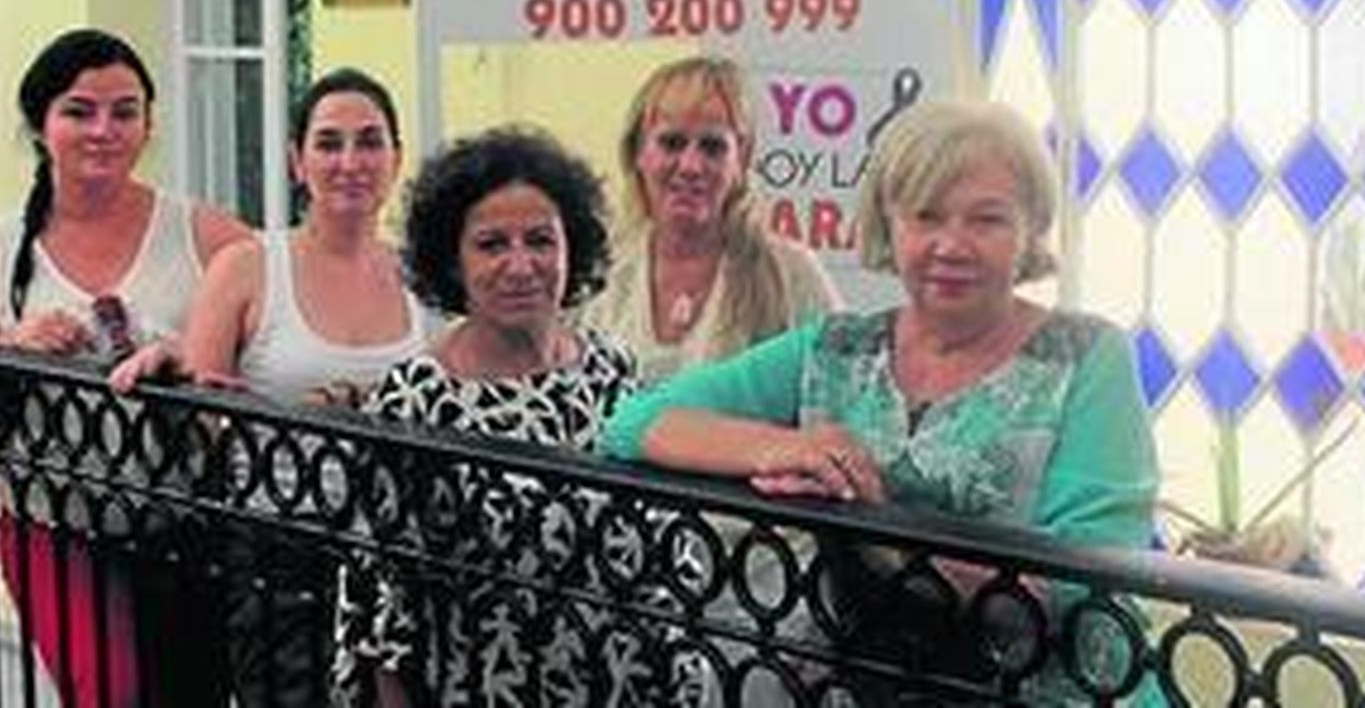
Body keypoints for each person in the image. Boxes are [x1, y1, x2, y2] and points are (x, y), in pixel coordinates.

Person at [602, 99, 1160, 702]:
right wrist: (783, 449)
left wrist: (887, 540)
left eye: (987, 220)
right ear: (888, 228)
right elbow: (633, 424)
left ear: (1029, 231)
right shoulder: (836, 349)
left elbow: (1086, 578)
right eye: (925, 217)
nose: (952, 244)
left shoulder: (1088, 358)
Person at [109, 66, 436, 706]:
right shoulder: (251, 266)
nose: (351, 161)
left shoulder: (422, 279)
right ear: (296, 160)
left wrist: (364, 410)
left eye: (370, 141)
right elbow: (205, 408)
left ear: (396, 157)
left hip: (399, 547)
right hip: (280, 547)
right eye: (329, 142)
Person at [0, 27, 250, 708]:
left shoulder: (208, 235)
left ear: (148, 124)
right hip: (52, 518)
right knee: (107, 688)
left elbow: (268, 347)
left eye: (125, 110)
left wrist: (188, 361)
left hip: (186, 520)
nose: (103, 130)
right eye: (79, 110)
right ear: (40, 124)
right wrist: (6, 352)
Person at [331, 126, 638, 707]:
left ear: (573, 247)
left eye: (541, 240)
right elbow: (381, 615)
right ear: (452, 260)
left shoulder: (613, 371)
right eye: (492, 244)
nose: (521, 265)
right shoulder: (415, 401)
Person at [581, 54, 840, 385]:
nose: (690, 165)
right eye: (672, 143)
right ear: (638, 154)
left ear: (741, 160)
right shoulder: (598, 273)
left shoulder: (791, 275)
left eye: (712, 147)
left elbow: (847, 402)